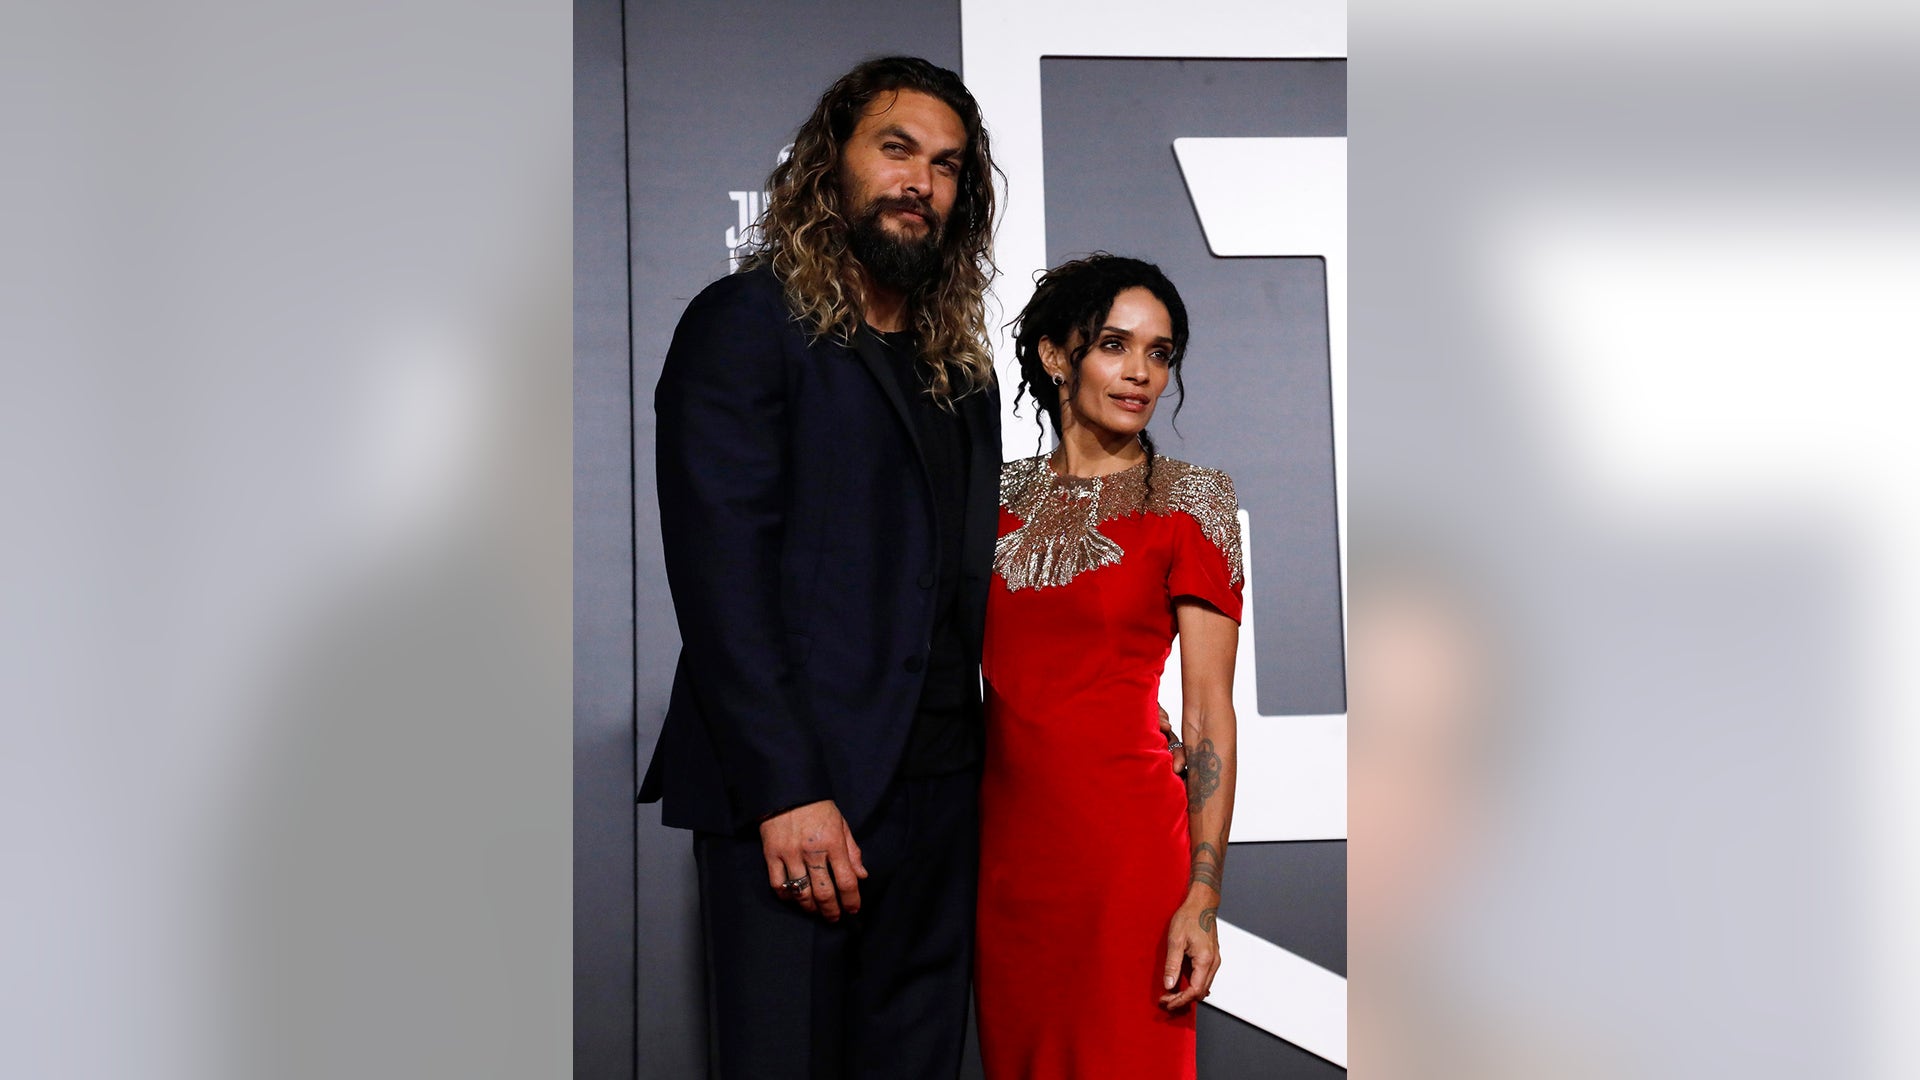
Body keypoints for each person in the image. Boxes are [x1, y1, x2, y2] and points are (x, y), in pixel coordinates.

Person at [636, 57, 1003, 1078]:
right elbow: (721, 579)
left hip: (942, 794)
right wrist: (786, 790)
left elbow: (964, 583)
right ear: (828, 161)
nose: (920, 183)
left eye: (946, 167)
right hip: (799, 800)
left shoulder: (957, 371)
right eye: (896, 150)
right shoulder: (746, 324)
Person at [975, 254, 1242, 1078]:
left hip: (1127, 854)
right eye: (1115, 345)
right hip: (1005, 857)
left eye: (1160, 354)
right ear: (1057, 355)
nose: (1140, 373)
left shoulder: (1192, 502)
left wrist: (1202, 894)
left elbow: (1205, 713)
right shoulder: (988, 497)